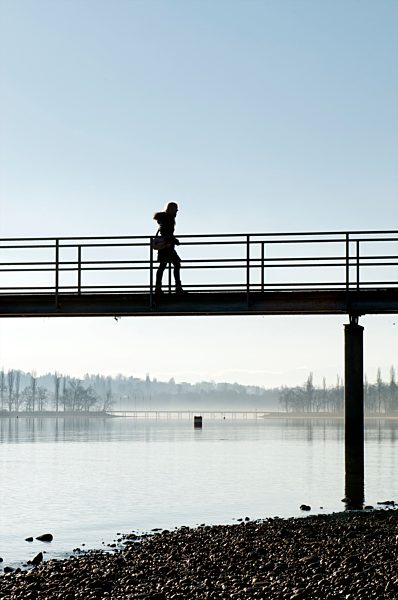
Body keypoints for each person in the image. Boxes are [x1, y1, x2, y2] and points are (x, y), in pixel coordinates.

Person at [153, 202, 187, 295]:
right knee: (176, 264)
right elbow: (167, 232)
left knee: (162, 266)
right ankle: (178, 287)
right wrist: (173, 240)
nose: (177, 211)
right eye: (176, 209)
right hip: (168, 246)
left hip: (165, 246)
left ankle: (158, 288)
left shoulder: (164, 218)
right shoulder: (169, 219)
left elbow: (164, 231)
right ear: (172, 209)